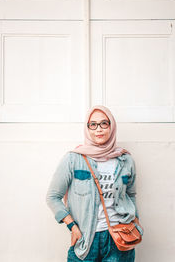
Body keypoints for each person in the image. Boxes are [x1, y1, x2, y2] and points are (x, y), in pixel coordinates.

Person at [46, 105, 142, 261]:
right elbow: (52, 197)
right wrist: (72, 227)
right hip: (86, 238)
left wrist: (135, 221)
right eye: (93, 124)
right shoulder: (73, 159)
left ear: (112, 126)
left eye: (104, 123)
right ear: (87, 128)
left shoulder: (125, 160)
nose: (99, 129)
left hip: (120, 238)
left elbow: (131, 194)